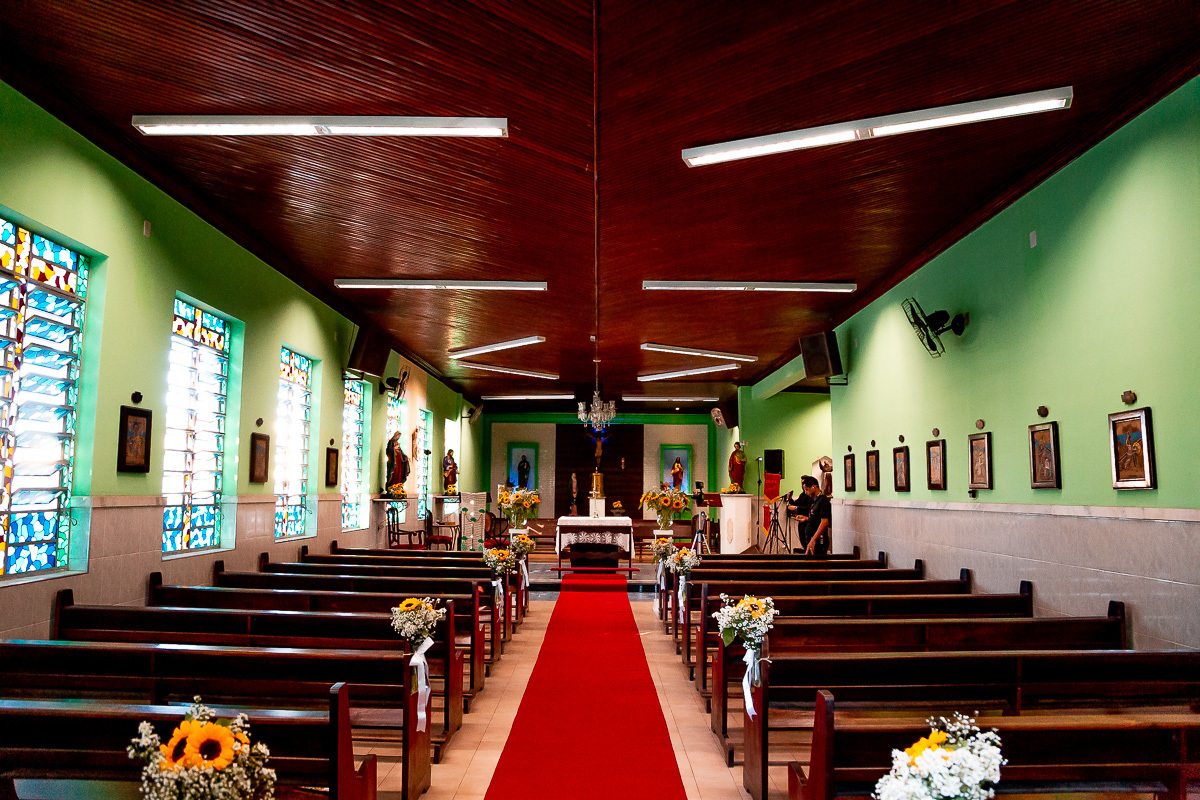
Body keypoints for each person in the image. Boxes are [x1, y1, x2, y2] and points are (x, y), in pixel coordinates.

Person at [799, 474, 831, 555]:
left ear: (813, 487)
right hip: (811, 540)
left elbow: (824, 523)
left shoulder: (823, 501)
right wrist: (806, 518)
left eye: (806, 490)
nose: (806, 493)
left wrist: (813, 539)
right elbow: (816, 519)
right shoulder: (815, 500)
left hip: (818, 542)